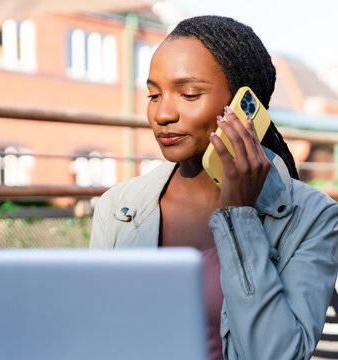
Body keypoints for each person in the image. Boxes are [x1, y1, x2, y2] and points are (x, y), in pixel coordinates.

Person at [90, 15, 338, 360]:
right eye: (153, 94)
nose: (162, 114)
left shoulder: (314, 217)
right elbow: (99, 333)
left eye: (189, 94)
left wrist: (240, 219)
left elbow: (279, 354)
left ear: (244, 105)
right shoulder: (116, 208)